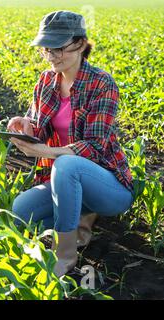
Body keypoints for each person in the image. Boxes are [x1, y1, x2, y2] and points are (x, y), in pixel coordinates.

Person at [7, 11, 135, 277]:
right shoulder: (45, 81)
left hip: (107, 184)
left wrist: (46, 152)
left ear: (79, 44)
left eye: (58, 48)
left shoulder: (101, 83)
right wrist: (27, 126)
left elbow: (95, 147)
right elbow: (40, 127)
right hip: (63, 177)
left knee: (67, 164)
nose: (51, 56)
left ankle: (64, 256)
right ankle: (79, 213)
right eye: (46, 49)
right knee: (21, 211)